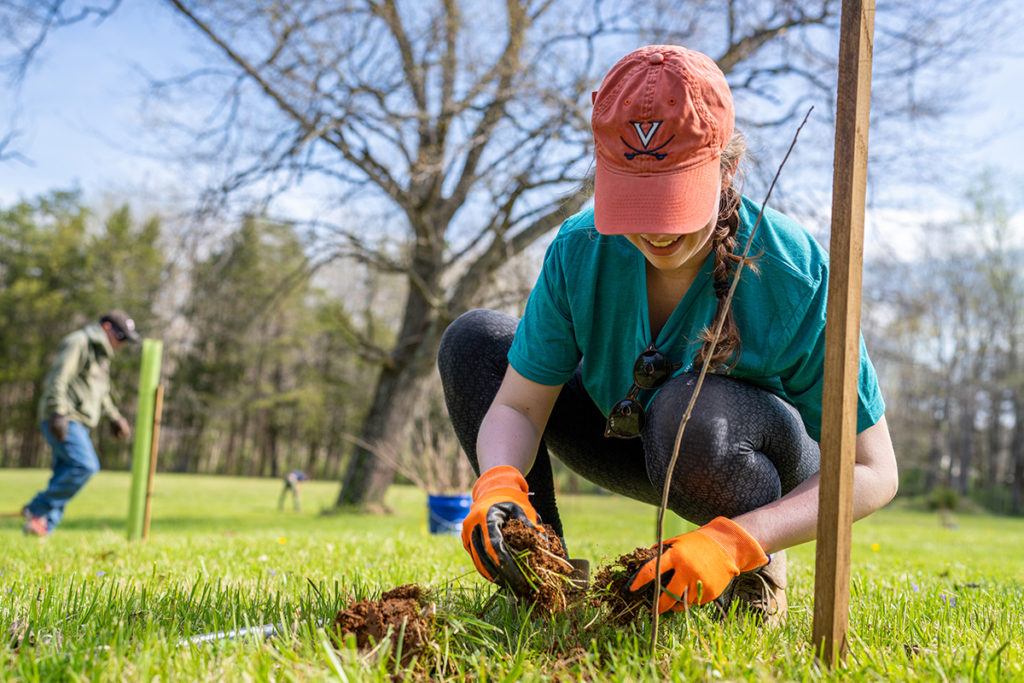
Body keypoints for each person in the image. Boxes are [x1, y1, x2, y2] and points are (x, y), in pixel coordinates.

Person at [437, 45, 898, 623]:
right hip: (626, 436)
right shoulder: (580, 249)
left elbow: (873, 470)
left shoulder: (792, 274)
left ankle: (752, 577)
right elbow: (521, 406)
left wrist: (734, 541)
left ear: (727, 169)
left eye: (674, 199)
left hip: (746, 455)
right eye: (635, 198)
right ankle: (541, 583)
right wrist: (500, 483)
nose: (655, 231)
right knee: (474, 341)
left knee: (689, 410)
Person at [22, 310, 140, 536]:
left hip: (79, 420)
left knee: (64, 474)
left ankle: (41, 526)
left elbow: (101, 392)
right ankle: (37, 508)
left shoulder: (101, 355)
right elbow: (58, 377)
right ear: (106, 327)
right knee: (85, 466)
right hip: (64, 417)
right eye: (121, 337)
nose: (122, 344)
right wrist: (57, 412)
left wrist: (114, 416)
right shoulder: (79, 342)